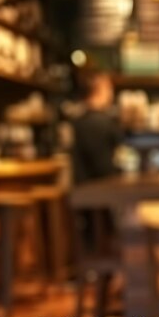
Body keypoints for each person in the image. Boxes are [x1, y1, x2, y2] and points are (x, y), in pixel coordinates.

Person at [70, 70, 123, 255]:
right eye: (109, 88)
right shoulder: (103, 123)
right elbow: (105, 168)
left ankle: (100, 264)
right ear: (98, 89)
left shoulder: (77, 122)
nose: (111, 93)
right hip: (98, 195)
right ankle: (111, 262)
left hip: (82, 193)